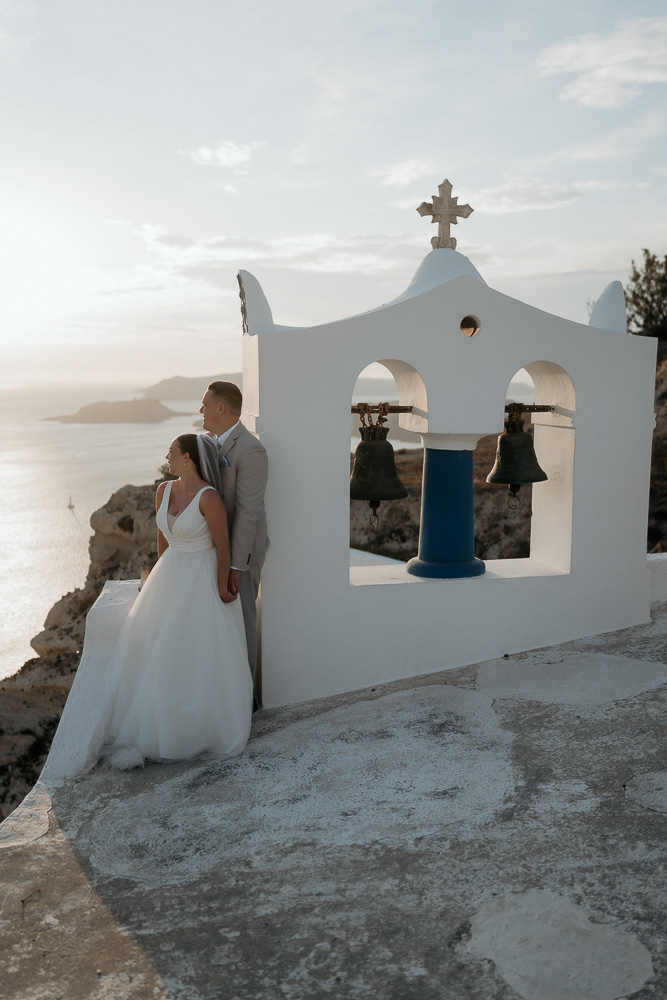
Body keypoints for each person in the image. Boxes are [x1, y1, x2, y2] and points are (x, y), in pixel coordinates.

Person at [102, 433, 253, 770]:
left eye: (171, 452)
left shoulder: (208, 498)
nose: (166, 457)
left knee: (194, 654)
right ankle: (160, 725)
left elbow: (223, 546)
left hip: (200, 576)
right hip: (169, 575)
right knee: (157, 651)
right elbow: (163, 541)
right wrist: (156, 580)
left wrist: (221, 587)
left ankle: (196, 729)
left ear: (188, 458)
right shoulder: (163, 490)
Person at [199, 381, 268, 701]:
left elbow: (248, 514)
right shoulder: (212, 443)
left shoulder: (250, 450)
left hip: (242, 556)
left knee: (242, 625)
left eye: (205, 404)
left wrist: (235, 566)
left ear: (221, 408)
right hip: (218, 552)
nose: (201, 410)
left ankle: (247, 703)